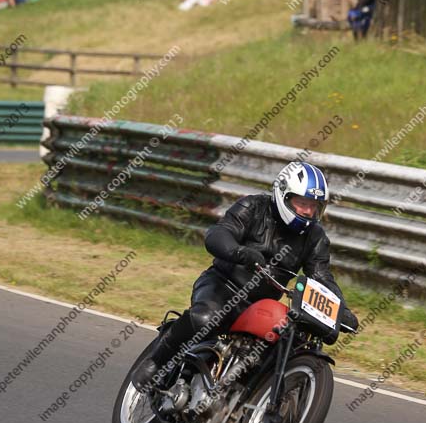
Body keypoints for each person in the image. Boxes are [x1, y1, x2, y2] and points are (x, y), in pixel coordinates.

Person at [132, 161, 358, 392]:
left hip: (261, 303)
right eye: (303, 203)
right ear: (284, 195)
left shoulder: (315, 237)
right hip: (221, 284)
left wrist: (341, 309)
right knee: (205, 319)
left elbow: (321, 275)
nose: (309, 211)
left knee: (286, 344)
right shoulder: (253, 206)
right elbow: (218, 234)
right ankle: (155, 362)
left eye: (314, 206)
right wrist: (239, 252)